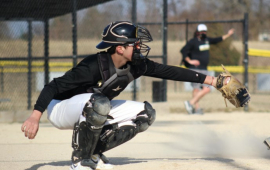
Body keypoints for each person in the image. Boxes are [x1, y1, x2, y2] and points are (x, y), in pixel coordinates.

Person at [21, 21, 228, 170]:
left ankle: (93, 151)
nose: (139, 46)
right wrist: (35, 116)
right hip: (60, 108)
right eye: (134, 43)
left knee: (145, 114)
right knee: (99, 103)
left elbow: (170, 71)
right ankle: (80, 158)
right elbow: (53, 86)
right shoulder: (93, 66)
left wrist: (213, 81)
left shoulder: (137, 65)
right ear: (119, 48)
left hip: (91, 106)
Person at [180, 24, 234, 115]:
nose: (203, 33)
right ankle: (196, 109)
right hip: (195, 69)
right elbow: (183, 51)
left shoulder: (207, 40)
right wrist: (190, 61)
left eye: (205, 31)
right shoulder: (193, 42)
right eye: (202, 32)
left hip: (204, 69)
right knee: (196, 89)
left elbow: (218, 39)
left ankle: (190, 103)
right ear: (197, 32)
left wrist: (228, 35)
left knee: (207, 88)